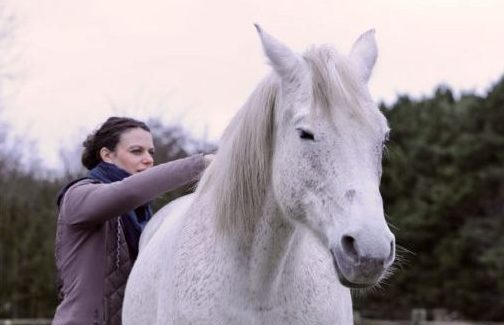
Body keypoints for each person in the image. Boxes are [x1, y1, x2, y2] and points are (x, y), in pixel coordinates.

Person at [52, 117, 212, 325]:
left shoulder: (144, 214)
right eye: (137, 151)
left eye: (151, 152)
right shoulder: (77, 197)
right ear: (107, 155)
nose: (148, 159)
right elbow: (128, 192)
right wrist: (201, 164)